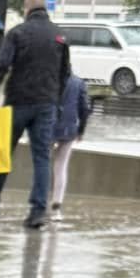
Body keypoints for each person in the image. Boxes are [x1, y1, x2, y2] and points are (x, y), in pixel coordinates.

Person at [0, 0, 70, 229]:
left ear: (27, 10)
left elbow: (1, 65)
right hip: (46, 104)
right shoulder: (59, 35)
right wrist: (56, 99)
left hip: (18, 101)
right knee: (42, 158)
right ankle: (38, 210)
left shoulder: (18, 33)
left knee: (2, 153)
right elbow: (65, 73)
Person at [51, 67, 91, 217]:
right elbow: (85, 109)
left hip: (48, 126)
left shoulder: (49, 79)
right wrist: (81, 131)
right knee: (61, 166)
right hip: (69, 128)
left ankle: (39, 202)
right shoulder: (78, 82)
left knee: (42, 164)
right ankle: (56, 205)